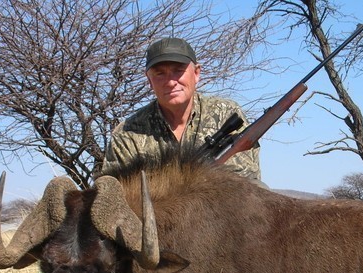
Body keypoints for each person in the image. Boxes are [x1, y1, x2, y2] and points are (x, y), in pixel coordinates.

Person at [102, 37, 261, 180]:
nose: (170, 82)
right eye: (159, 73)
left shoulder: (226, 113)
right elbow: (114, 196)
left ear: (196, 73)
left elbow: (247, 178)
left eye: (178, 71)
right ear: (149, 80)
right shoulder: (127, 133)